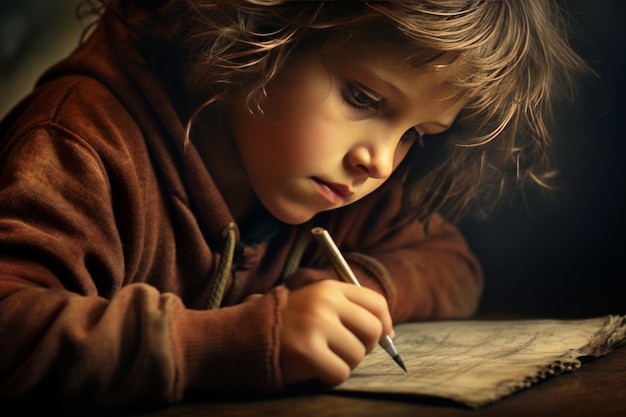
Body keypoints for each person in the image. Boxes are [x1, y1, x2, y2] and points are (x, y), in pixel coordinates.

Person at [0, 0, 586, 414]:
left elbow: (449, 261)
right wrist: (240, 343)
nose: (379, 162)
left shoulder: (324, 179)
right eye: (363, 97)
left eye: (417, 133)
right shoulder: (80, 146)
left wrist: (356, 295)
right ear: (256, 28)